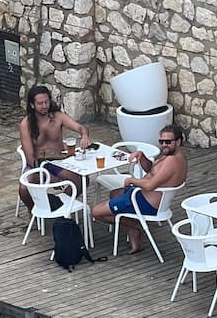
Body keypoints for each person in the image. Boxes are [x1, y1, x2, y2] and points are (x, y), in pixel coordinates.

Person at [91, 124, 188, 254]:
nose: (164, 144)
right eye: (162, 141)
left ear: (178, 141)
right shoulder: (172, 155)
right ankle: (133, 230)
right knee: (114, 194)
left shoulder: (172, 162)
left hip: (145, 203)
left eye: (168, 142)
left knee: (96, 212)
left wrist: (131, 180)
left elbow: (150, 185)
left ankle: (137, 227)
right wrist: (142, 156)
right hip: (145, 197)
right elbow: (151, 170)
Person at [17, 85, 90, 209]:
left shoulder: (57, 116)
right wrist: (48, 175)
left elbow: (79, 127)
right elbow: (30, 157)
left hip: (59, 161)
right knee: (24, 189)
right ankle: (36, 211)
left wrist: (84, 135)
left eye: (46, 102)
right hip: (37, 163)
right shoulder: (26, 124)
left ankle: (62, 204)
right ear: (32, 105)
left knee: (82, 180)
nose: (44, 105)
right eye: (40, 103)